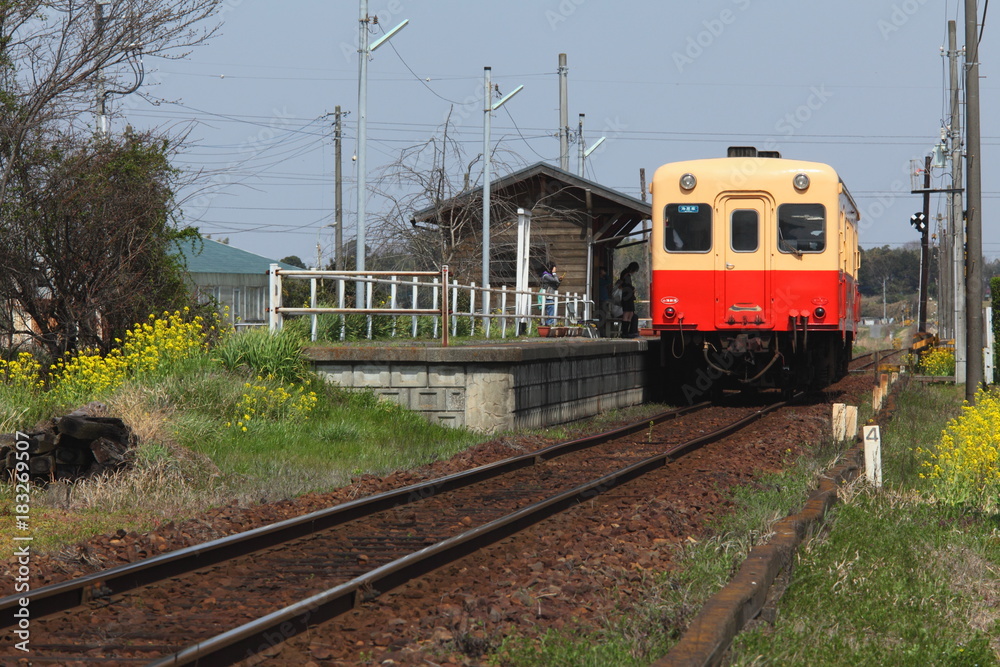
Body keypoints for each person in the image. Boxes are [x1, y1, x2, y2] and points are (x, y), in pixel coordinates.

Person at [618, 261, 640, 338]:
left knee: (630, 313)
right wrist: (632, 288)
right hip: (626, 296)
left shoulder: (626, 273)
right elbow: (626, 285)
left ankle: (627, 332)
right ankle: (625, 332)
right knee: (626, 313)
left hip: (629, 296)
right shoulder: (626, 274)